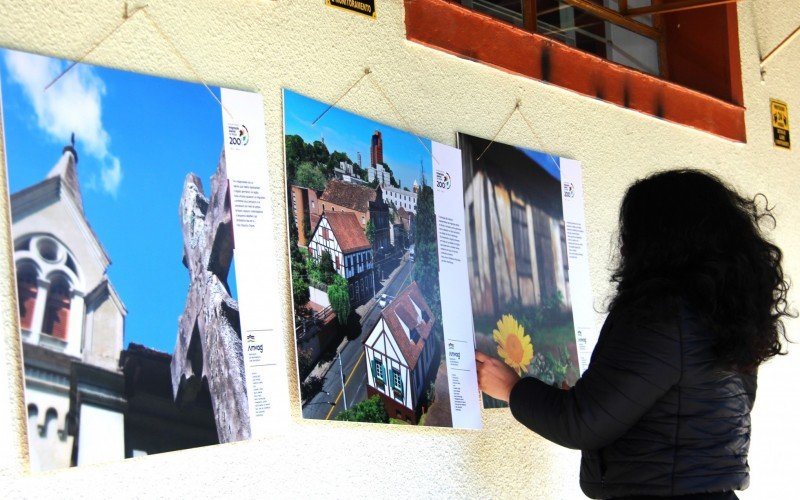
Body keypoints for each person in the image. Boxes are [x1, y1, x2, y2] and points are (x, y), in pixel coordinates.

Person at [476, 169, 792, 500]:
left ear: (659, 240)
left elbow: (583, 423)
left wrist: (511, 388)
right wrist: (597, 395)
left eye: (631, 233)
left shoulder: (661, 315)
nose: (623, 245)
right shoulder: (726, 316)